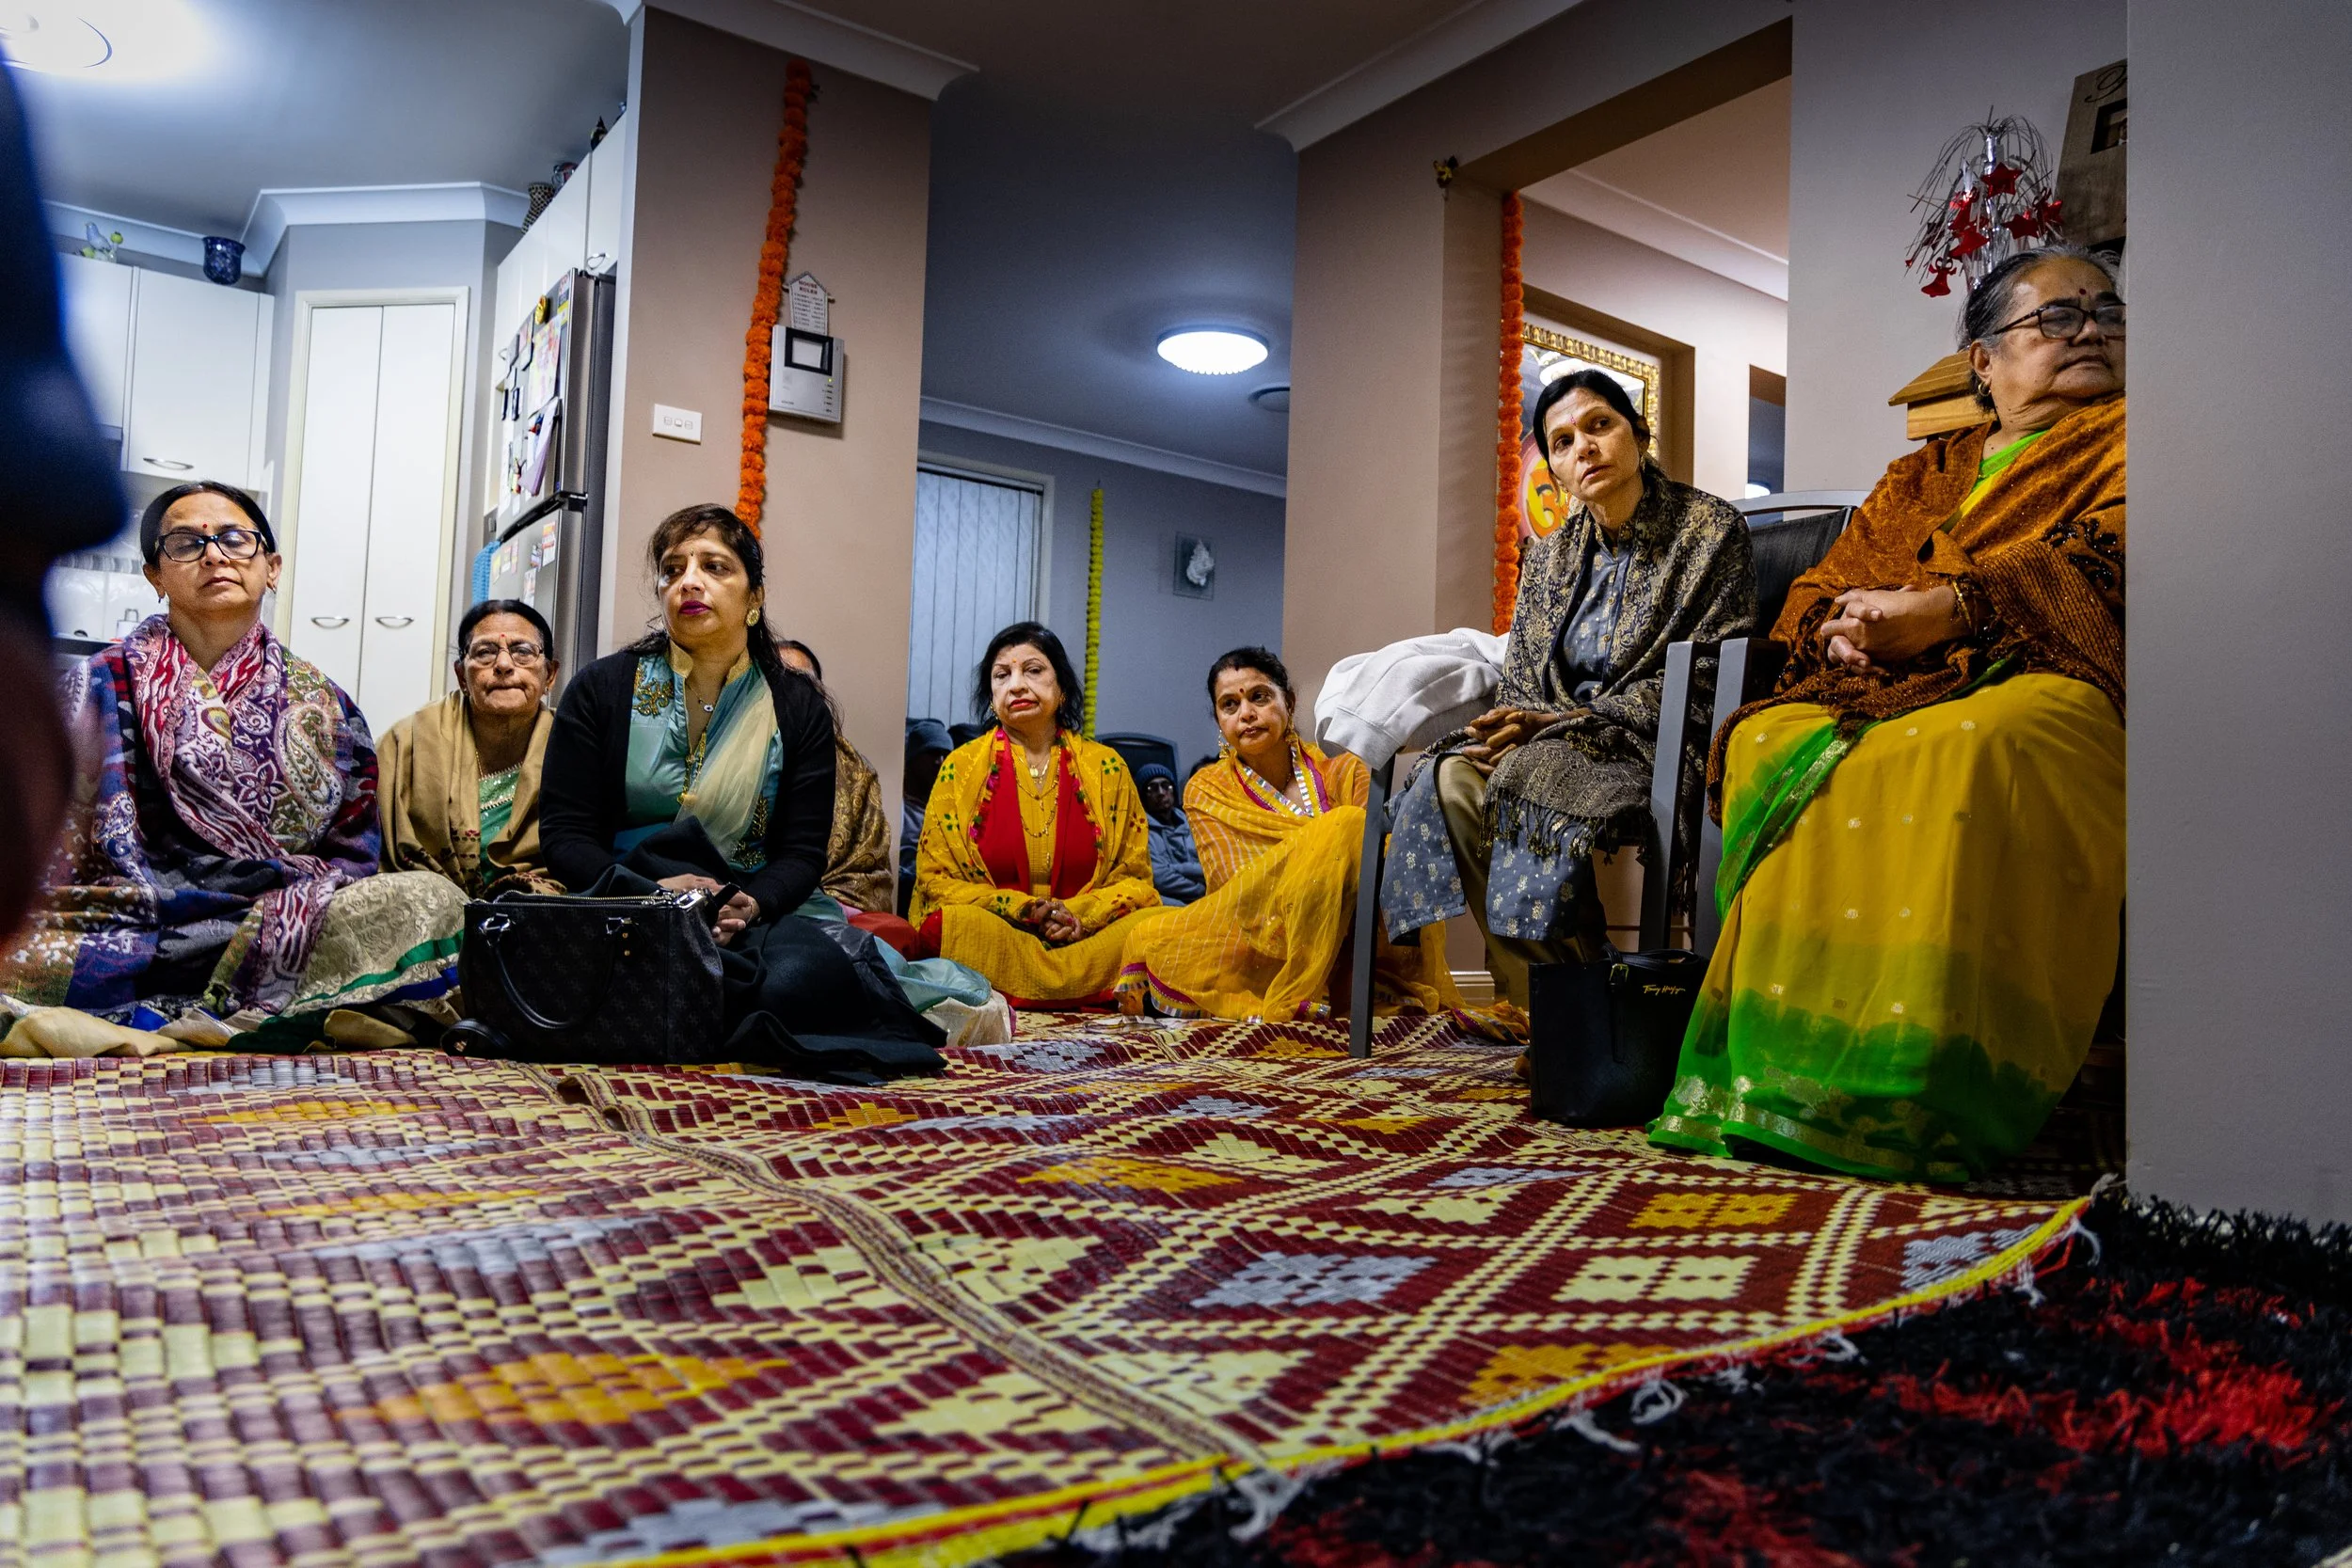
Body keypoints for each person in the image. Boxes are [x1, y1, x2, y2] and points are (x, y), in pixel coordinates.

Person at [1649, 246, 2127, 1183]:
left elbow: (2114, 556)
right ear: (1983, 362)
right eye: (2057, 317)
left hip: (2043, 663)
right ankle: (1784, 1077)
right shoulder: (1921, 472)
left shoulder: (2138, 436)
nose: (2091, 332)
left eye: (2106, 314)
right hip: (1882, 680)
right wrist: (1839, 627)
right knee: (1766, 734)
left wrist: (1952, 609)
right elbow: (1829, 580)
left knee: (1977, 742)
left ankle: (1927, 1088)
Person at [0, 482, 463, 1035]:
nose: (214, 554)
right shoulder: (92, 684)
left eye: (234, 539)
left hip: (273, 924)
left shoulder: (326, 703)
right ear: (156, 576)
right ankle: (270, 1016)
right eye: (187, 544)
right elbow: (40, 836)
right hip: (124, 924)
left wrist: (295, 908)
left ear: (271, 567)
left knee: (432, 901)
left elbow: (354, 852)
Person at [536, 504, 971, 1072]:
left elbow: (801, 852)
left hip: (747, 911)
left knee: (800, 979)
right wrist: (652, 890)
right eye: (672, 570)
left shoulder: (796, 704)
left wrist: (751, 902)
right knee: (570, 976)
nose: (688, 580)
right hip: (625, 902)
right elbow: (565, 834)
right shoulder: (601, 688)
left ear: (755, 597)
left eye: (714, 566)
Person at [1378, 371, 1756, 1009]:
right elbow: (1523, 676)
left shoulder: (1708, 531)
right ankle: (1550, 1006)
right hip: (1550, 743)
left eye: (1599, 425)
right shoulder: (1549, 558)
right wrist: (1513, 726)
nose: (1583, 446)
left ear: (1638, 435)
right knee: (1451, 777)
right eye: (1561, 440)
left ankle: (1568, 1011)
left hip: (1648, 746)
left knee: (1531, 776)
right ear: (1553, 466)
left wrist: (1569, 723)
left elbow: (1711, 674)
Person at [1120, 649, 1463, 1022]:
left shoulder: (1344, 771)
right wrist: (1319, 862)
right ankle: (1296, 984)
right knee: (1149, 936)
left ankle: (1317, 986)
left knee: (1355, 828)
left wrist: (1330, 859)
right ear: (1220, 721)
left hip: (1355, 925)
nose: (1246, 714)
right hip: (1258, 932)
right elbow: (1232, 884)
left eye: (1259, 697)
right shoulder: (1206, 788)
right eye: (1229, 705)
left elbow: (1379, 860)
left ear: (1290, 702)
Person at [911, 622, 1160, 1003]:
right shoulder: (960, 769)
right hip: (1003, 938)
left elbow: (1136, 880)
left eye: (1033, 670)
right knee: (957, 924)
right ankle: (1086, 992)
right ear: (991, 697)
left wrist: (1078, 915)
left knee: (1156, 925)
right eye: (1002, 675)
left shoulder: (1107, 768)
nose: (1016, 685)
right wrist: (1023, 909)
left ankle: (1029, 989)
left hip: (1088, 940)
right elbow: (936, 879)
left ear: (1061, 688)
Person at [377, 599, 563, 896]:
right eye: (485, 653)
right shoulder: (408, 742)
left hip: (532, 915)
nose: (503, 665)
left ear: (549, 675)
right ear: (462, 676)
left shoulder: (574, 748)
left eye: (523, 652)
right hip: (418, 912)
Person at [776, 638, 893, 914]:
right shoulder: (733, 757)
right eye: (777, 681)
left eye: (801, 684)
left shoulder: (856, 771)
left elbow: (869, 868)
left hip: (837, 903)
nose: (789, 694)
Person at [898, 718, 953, 916]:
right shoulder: (899, 806)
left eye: (944, 755)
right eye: (932, 753)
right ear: (913, 758)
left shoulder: (950, 805)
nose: (939, 761)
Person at [1136, 763, 1205, 906]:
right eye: (1152, 788)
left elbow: (1211, 863)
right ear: (1143, 796)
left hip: (1209, 895)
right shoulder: (1140, 831)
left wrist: (1177, 868)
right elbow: (1160, 878)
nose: (1161, 792)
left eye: (1166, 786)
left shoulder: (1193, 822)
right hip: (1173, 901)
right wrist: (1201, 890)